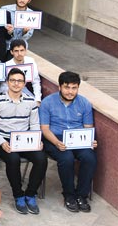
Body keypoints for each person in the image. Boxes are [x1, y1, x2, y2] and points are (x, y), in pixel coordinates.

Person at [0, 68, 46, 215]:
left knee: (41, 159)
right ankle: (18, 195)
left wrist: (36, 139)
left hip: (24, 139)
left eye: (19, 81)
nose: (16, 83)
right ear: (7, 82)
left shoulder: (31, 101)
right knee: (13, 159)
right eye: (13, 80)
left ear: (24, 83)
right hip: (4, 138)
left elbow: (34, 124)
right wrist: (2, 142)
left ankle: (30, 194)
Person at [40, 71, 98, 213]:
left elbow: (88, 127)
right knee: (67, 158)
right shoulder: (47, 102)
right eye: (67, 87)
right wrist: (56, 143)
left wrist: (90, 141)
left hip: (77, 138)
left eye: (74, 88)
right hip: (54, 138)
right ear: (59, 87)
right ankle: (69, 195)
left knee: (89, 158)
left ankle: (81, 196)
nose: (70, 92)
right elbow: (45, 129)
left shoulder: (84, 103)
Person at [0, 39, 42, 104]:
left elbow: (36, 81)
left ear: (25, 51)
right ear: (11, 52)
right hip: (9, 92)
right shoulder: (7, 65)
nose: (19, 54)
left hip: (24, 90)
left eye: (22, 50)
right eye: (16, 51)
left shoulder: (31, 61)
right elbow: (3, 86)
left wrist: (37, 99)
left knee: (33, 104)